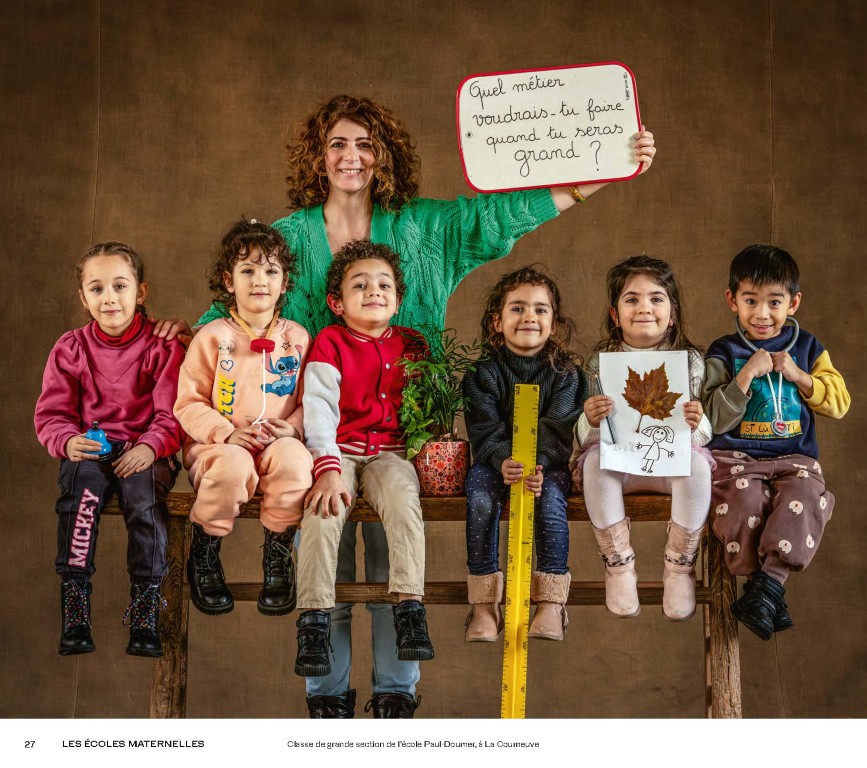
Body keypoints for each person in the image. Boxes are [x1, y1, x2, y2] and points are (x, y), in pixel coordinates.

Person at [157, 94, 656, 718]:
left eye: (365, 144)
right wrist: (177, 333)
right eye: (338, 143)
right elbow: (232, 311)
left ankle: (397, 694)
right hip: (310, 436)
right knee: (327, 552)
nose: (351, 157)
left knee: (398, 549)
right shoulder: (286, 237)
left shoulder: (425, 226)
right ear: (318, 154)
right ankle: (326, 697)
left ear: (384, 156)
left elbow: (502, 216)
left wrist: (597, 175)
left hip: (402, 433)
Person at [34, 242, 184, 657]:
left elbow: (173, 413)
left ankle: (145, 608)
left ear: (141, 292)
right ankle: (76, 604)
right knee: (79, 496)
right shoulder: (72, 348)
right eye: (96, 289)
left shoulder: (163, 346)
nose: (109, 298)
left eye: (120, 286)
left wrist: (153, 447)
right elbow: (53, 412)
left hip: (145, 452)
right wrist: (67, 439)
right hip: (93, 450)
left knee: (143, 501)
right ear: (83, 298)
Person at [296, 240, 433, 690]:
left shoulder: (414, 345)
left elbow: (426, 411)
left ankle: (410, 606)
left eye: (383, 283)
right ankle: (313, 619)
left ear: (398, 297)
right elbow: (318, 408)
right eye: (360, 284)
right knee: (322, 511)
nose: (374, 290)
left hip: (390, 453)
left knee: (402, 498)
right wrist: (328, 466)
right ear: (337, 303)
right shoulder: (330, 342)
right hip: (338, 449)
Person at [702, 244, 849, 640]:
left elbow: (839, 404)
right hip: (735, 458)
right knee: (745, 502)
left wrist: (802, 377)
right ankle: (767, 588)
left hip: (793, 458)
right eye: (750, 301)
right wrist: (746, 374)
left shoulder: (808, 348)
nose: (762, 313)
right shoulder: (723, 351)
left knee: (806, 493)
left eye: (774, 302)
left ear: (794, 303)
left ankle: (766, 589)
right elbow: (711, 418)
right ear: (732, 300)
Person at [174, 219, 313, 618]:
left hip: (277, 444)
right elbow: (188, 403)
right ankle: (204, 551)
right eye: (247, 270)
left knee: (296, 462)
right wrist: (224, 433)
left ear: (285, 282)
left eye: (271, 271)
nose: (260, 280)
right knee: (233, 465)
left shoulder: (299, 339)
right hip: (219, 447)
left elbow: (310, 402)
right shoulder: (212, 338)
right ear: (228, 280)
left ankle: (278, 555)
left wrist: (294, 427)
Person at [573, 256, 713, 621]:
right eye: (631, 299)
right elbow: (583, 435)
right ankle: (619, 566)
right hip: (621, 465)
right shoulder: (600, 361)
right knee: (593, 465)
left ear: (673, 312)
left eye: (656, 298)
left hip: (670, 465)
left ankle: (679, 567)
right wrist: (588, 419)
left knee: (698, 466)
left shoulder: (690, 362)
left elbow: (704, 435)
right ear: (615, 314)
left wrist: (698, 422)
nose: (645, 308)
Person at [463, 266, 587, 642]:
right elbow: (483, 428)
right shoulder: (481, 373)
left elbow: (559, 426)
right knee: (481, 499)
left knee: (550, 500)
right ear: (496, 322)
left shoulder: (566, 373)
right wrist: (503, 459)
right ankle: (484, 605)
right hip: (494, 464)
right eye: (517, 308)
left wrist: (540, 463)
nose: (529, 316)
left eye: (540, 309)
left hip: (546, 466)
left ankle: (551, 603)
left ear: (554, 321)